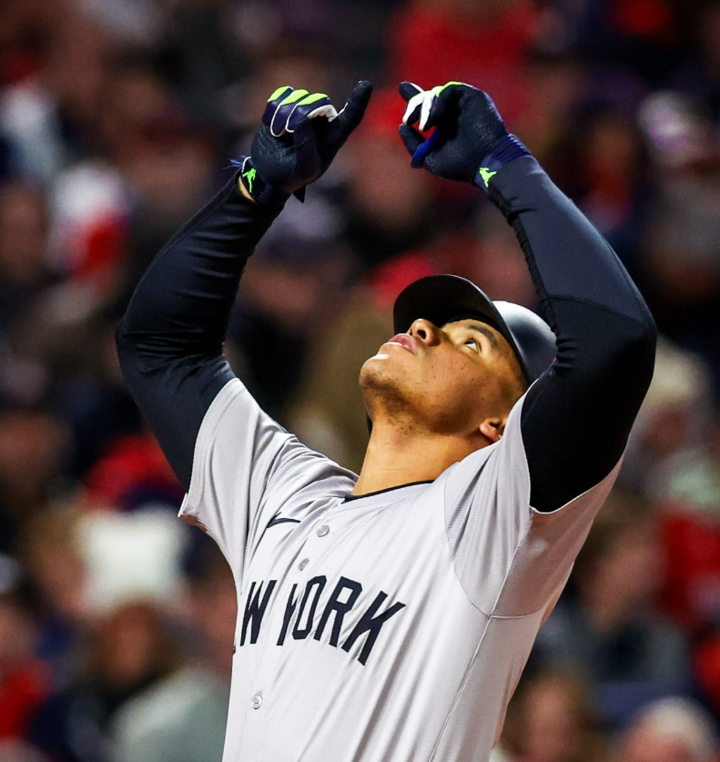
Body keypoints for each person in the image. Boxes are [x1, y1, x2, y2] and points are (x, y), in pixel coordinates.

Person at [117, 80, 656, 762]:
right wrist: (254, 190)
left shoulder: (493, 524)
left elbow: (613, 341)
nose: (424, 328)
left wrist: (503, 164)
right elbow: (160, 346)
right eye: (431, 321)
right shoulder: (284, 492)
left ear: (502, 426)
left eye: (470, 343)